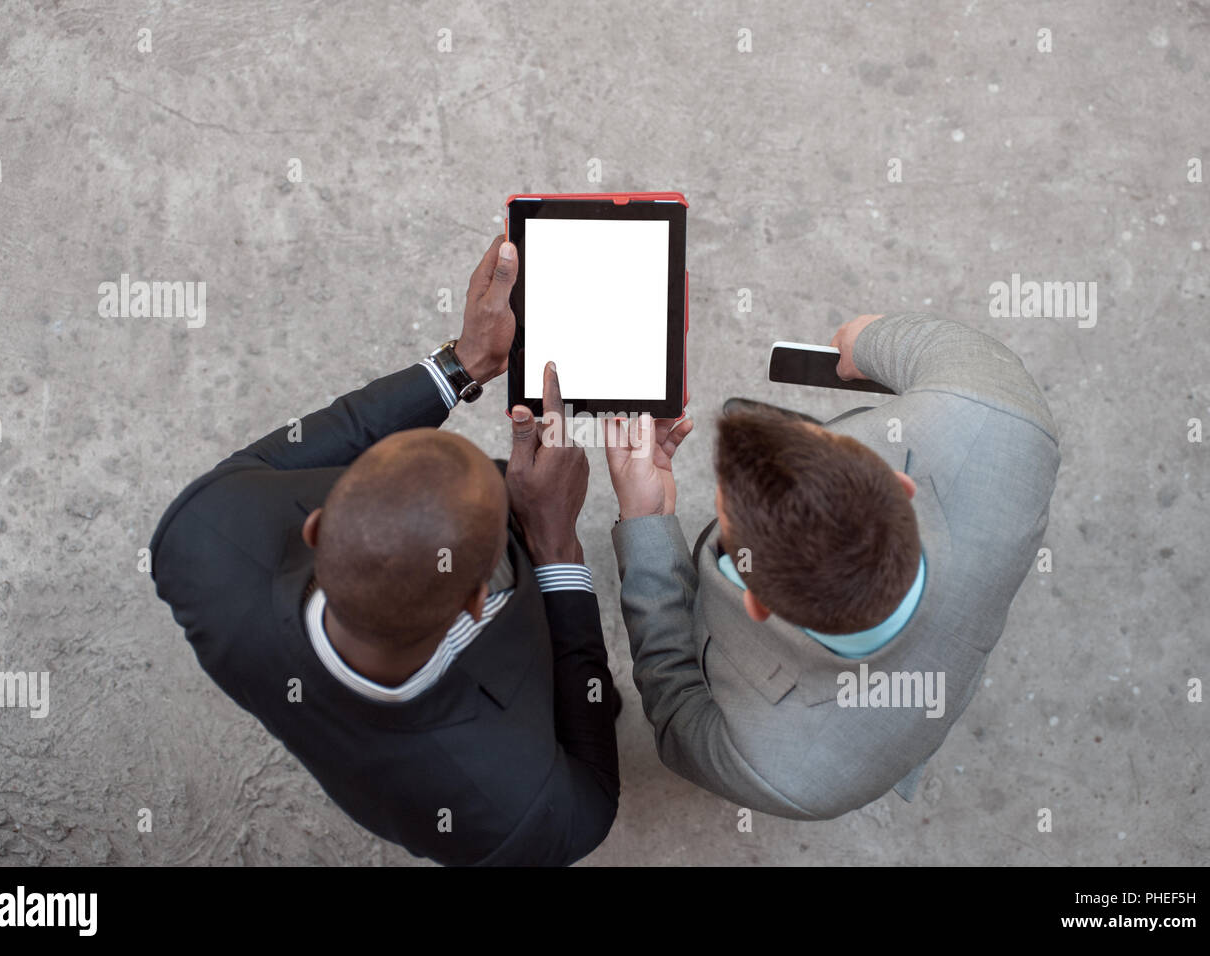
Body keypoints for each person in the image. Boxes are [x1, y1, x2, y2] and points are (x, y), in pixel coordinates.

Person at [150, 237, 619, 865]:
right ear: (480, 600)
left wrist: (467, 362)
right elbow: (593, 791)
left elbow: (274, 459)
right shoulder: (522, 810)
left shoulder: (201, 537)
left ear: (317, 524)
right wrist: (553, 544)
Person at [605, 312, 1060, 819]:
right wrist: (864, 340)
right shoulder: (1002, 417)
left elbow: (677, 705)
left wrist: (647, 519)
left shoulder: (782, 773)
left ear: (754, 602)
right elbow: (919, 341)